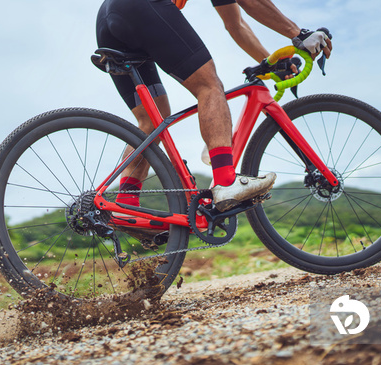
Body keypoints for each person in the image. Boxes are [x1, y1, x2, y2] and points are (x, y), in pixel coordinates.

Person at [96, 0, 332, 214]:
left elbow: (236, 24)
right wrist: (299, 34)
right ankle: (225, 181)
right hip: (142, 8)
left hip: (109, 17)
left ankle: (126, 204)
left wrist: (269, 61)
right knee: (209, 85)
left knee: (151, 119)